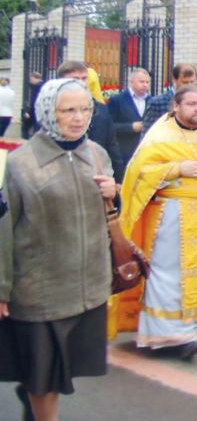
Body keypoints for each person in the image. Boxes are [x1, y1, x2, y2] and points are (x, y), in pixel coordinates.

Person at [0, 78, 117, 421]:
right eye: (68, 110)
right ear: (47, 112)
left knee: (56, 372)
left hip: (87, 289)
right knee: (43, 378)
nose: (79, 118)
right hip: (39, 292)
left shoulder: (96, 154)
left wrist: (114, 195)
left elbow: (108, 216)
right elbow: (4, 230)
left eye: (85, 109)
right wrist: (1, 289)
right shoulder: (20, 164)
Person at [112, 85, 197, 360]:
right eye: (191, 104)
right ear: (175, 107)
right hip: (172, 216)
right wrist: (176, 169)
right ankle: (166, 334)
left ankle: (189, 329)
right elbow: (139, 174)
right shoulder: (160, 134)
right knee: (169, 273)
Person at [57, 61, 125, 183]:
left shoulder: (101, 110)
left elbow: (112, 147)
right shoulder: (52, 110)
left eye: (84, 78)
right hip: (63, 178)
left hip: (96, 178)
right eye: (75, 79)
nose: (81, 83)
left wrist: (119, 182)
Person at [108, 67, 151, 164]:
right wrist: (130, 127)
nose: (145, 85)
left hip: (145, 154)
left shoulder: (151, 101)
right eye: (141, 82)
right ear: (131, 82)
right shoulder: (117, 100)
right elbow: (108, 126)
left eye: (147, 82)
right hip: (124, 154)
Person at [141, 63, 197, 134]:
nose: (189, 86)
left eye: (192, 82)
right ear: (174, 79)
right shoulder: (157, 102)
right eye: (185, 82)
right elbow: (146, 133)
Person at [20, 72, 42, 139]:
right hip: (39, 113)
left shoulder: (38, 86)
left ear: (33, 78)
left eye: (30, 79)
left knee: (26, 130)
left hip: (36, 113)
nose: (30, 81)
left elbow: (34, 101)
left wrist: (28, 112)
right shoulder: (43, 85)